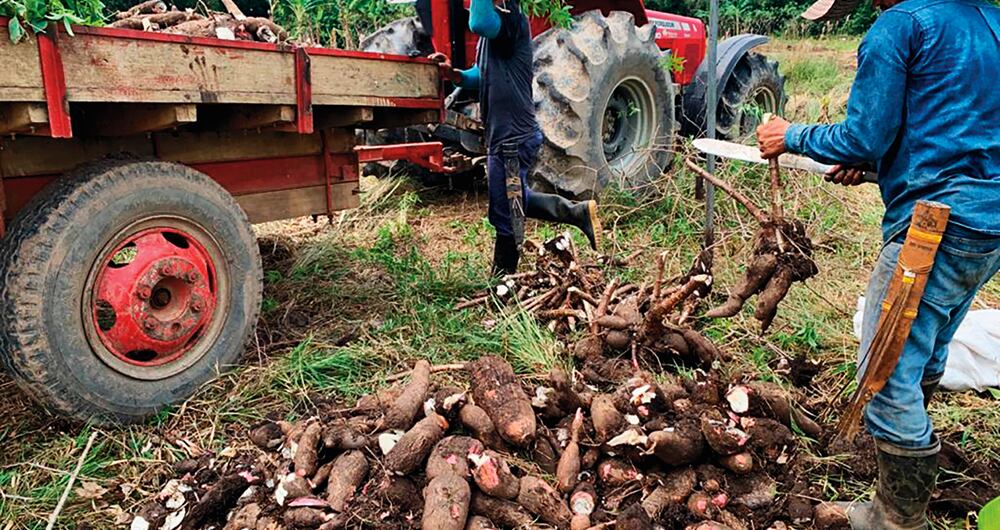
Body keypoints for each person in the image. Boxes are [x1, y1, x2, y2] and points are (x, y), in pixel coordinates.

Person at [757, 0, 1000, 528]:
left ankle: (896, 517)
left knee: (884, 373)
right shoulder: (989, 21)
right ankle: (905, 455)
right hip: (987, 225)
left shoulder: (902, 25)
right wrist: (875, 165)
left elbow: (865, 133)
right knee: (928, 345)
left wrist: (789, 135)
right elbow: (956, 128)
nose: (870, 4)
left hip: (935, 226)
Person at [433, 0, 601, 276]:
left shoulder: (511, 18)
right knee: (510, 199)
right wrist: (456, 75)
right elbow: (481, 73)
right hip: (503, 135)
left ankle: (503, 283)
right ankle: (576, 212)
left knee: (506, 214)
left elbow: (479, 22)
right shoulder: (497, 31)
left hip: (512, 137)